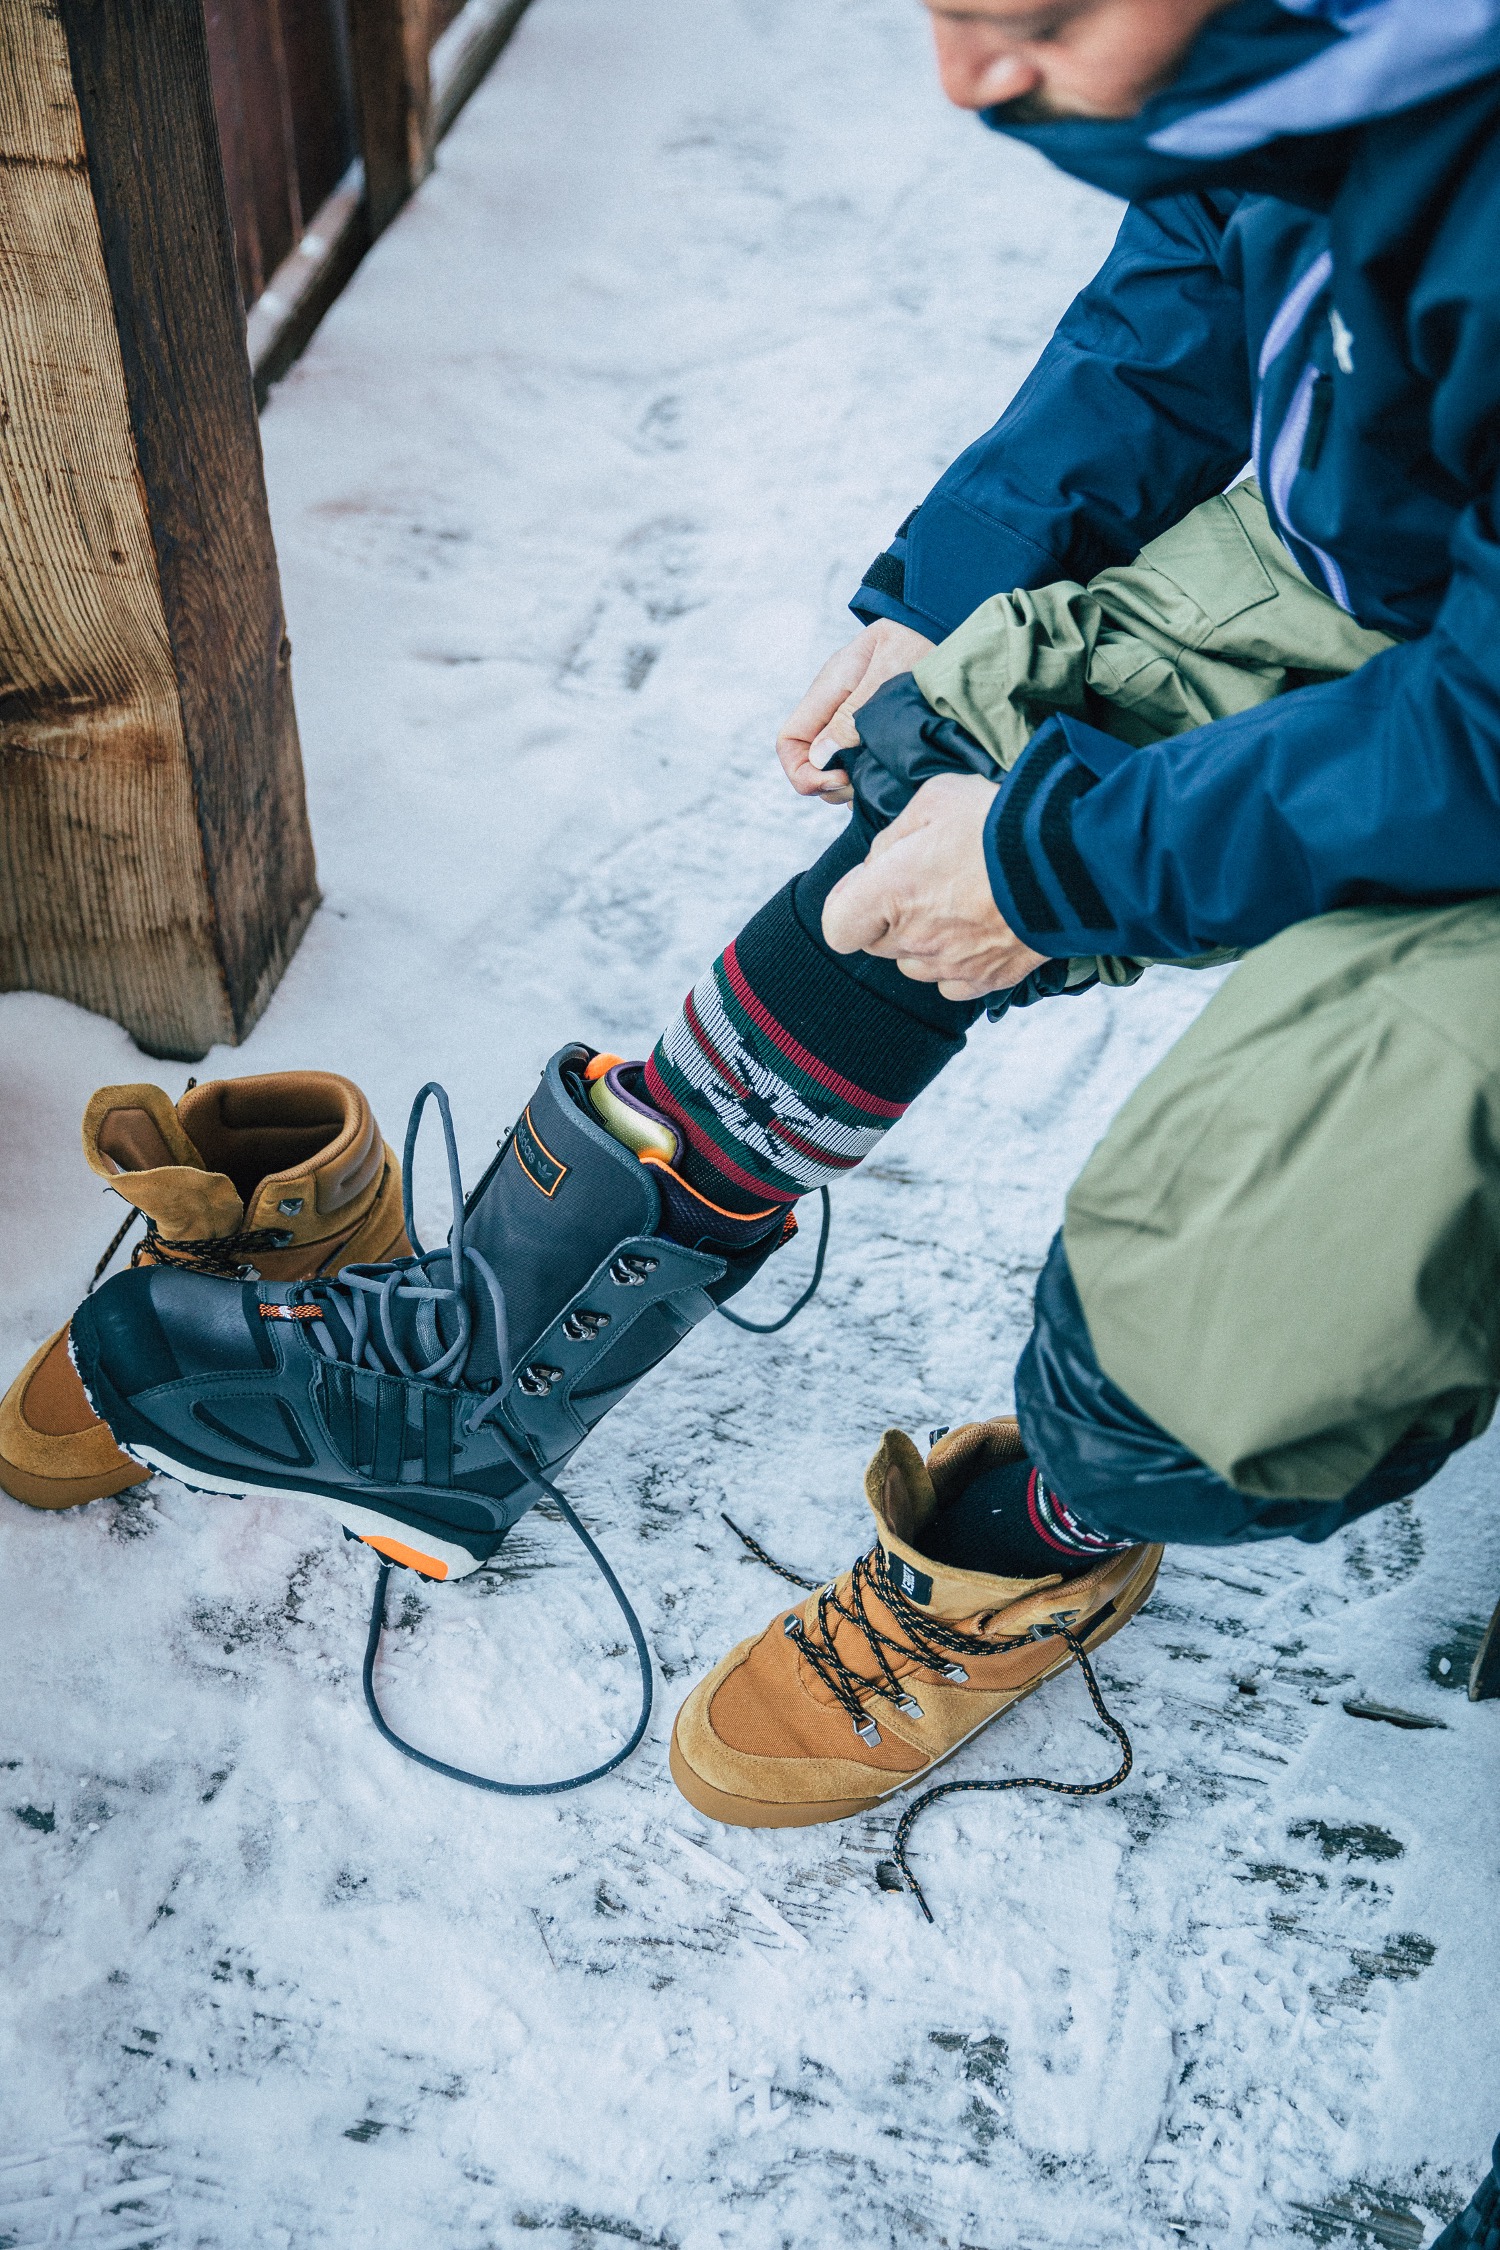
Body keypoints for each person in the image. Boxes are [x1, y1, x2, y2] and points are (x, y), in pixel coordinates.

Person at [57, 0, 1499, 2226]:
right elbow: (1226, 255)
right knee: (979, 740)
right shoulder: (1340, 56)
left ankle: (1059, 1523)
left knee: (1227, 1280)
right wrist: (960, 592)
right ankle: (476, 1384)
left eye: (1037, 22)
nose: (971, 84)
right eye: (948, 7)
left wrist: (1062, 870)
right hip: (1431, 582)